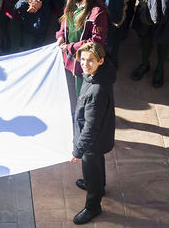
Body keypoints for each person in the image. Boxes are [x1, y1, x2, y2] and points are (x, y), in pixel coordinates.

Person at [69, 41, 115, 225]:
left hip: (93, 141)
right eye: (83, 59)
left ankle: (93, 205)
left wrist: (78, 151)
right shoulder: (101, 74)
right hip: (101, 136)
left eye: (91, 61)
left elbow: (91, 127)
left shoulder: (96, 91)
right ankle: (98, 187)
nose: (85, 64)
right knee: (96, 165)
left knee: (91, 171)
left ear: (101, 61)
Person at [56, 0, 108, 97]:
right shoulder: (72, 4)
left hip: (84, 60)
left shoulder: (98, 12)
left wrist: (70, 47)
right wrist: (61, 36)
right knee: (67, 89)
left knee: (82, 93)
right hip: (68, 57)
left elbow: (96, 41)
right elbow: (64, 23)